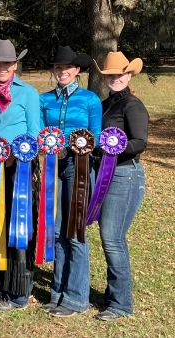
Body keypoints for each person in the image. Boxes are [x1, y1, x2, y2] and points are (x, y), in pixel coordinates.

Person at [38, 46, 101, 317]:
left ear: (77, 70)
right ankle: (58, 291)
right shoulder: (44, 99)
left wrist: (77, 146)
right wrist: (49, 148)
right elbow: (41, 134)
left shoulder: (90, 99)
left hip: (80, 167)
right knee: (56, 232)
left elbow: (96, 137)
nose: (62, 71)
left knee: (75, 232)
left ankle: (76, 297)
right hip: (54, 167)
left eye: (67, 67)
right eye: (57, 67)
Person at [0, 39, 41, 312]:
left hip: (21, 166)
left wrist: (22, 153)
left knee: (19, 226)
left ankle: (19, 290)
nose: (2, 67)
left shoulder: (28, 93)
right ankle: (1, 277)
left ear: (15, 65)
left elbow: (36, 132)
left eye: (7, 63)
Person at [93, 52, 148, 321]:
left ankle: (121, 303)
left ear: (129, 76)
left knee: (113, 239)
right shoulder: (106, 104)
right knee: (110, 238)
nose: (115, 78)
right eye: (110, 75)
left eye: (120, 74)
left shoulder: (132, 105)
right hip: (106, 175)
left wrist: (117, 147)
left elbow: (140, 142)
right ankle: (115, 292)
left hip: (125, 175)